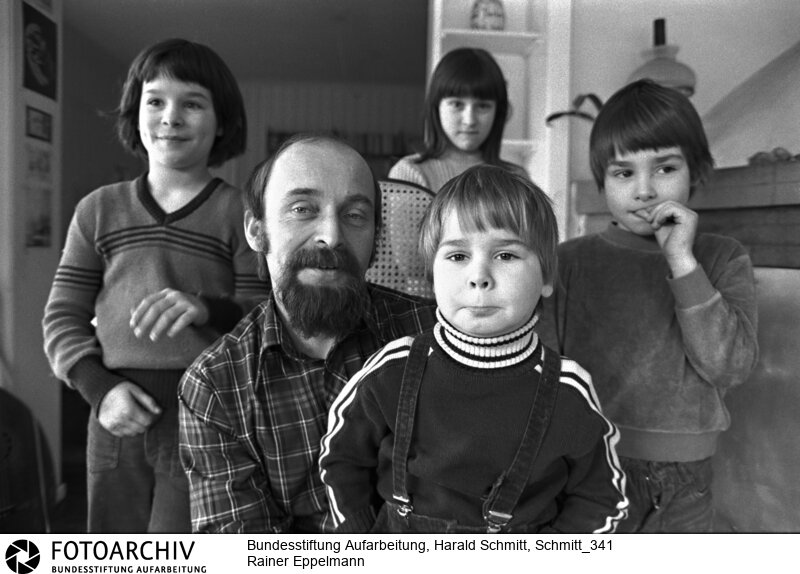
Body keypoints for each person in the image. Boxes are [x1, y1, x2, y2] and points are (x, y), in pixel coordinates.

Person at [319, 165, 628, 533]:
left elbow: (599, 499)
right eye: (457, 257)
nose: (479, 276)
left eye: (506, 256)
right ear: (432, 277)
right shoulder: (393, 369)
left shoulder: (568, 390)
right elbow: (341, 461)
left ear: (546, 277)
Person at [42, 38, 265, 533]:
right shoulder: (96, 210)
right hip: (114, 413)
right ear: (135, 111)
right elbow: (61, 318)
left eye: (192, 103)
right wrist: (100, 391)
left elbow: (264, 313)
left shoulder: (239, 213)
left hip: (206, 413)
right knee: (111, 545)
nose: (171, 117)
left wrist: (207, 309)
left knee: (184, 548)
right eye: (156, 101)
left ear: (223, 121)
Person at [177, 134, 438, 533]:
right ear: (255, 229)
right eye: (303, 209)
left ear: (376, 237)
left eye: (354, 215)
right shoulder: (215, 386)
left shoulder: (433, 337)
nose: (331, 236)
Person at [538, 80, 759, 533]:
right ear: (602, 182)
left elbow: (729, 367)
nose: (644, 191)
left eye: (664, 168)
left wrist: (682, 260)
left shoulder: (721, 257)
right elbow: (543, 375)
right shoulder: (568, 261)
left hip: (686, 480)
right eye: (624, 173)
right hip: (587, 469)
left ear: (695, 171)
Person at [388, 48, 528, 192]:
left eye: (483, 106)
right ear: (437, 107)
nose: (469, 120)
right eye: (457, 104)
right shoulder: (409, 174)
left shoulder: (517, 178)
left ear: (498, 112)